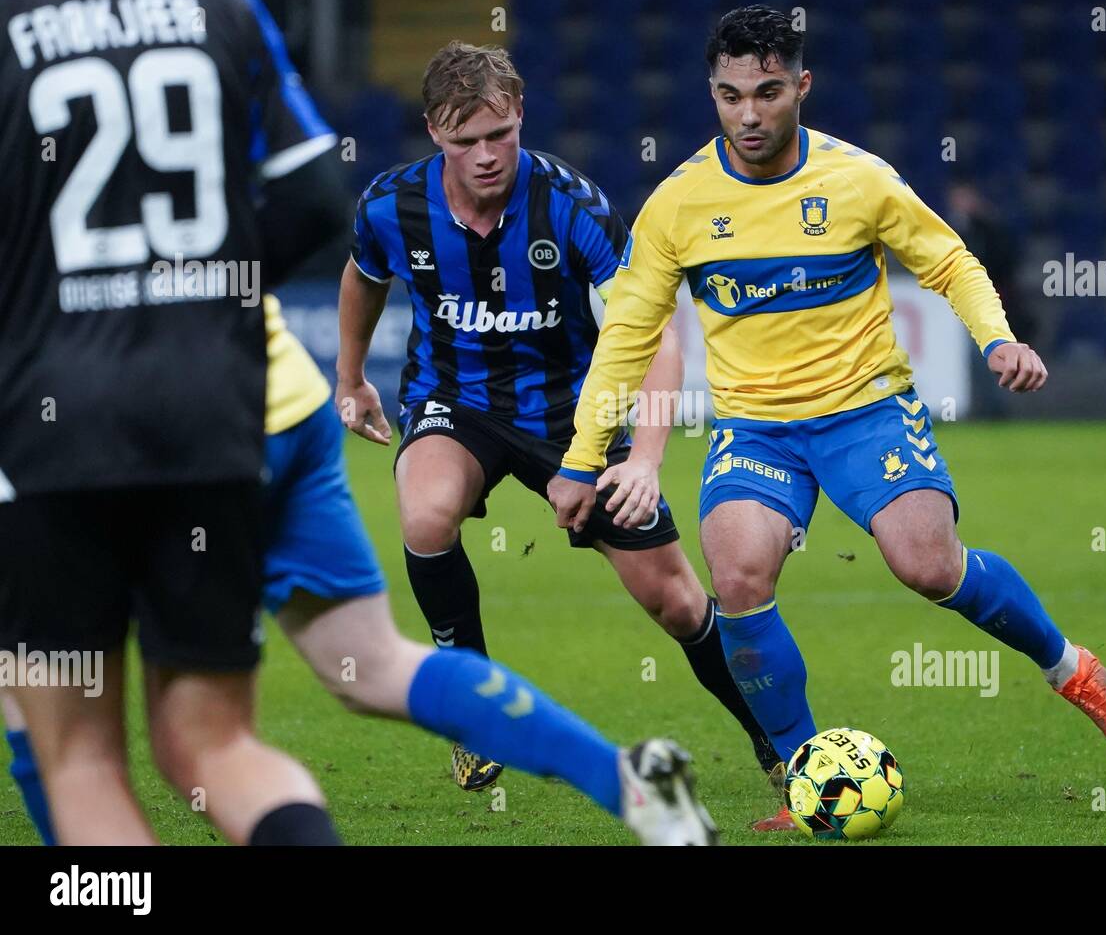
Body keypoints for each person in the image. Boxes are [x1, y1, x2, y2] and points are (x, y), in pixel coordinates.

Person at [548, 5, 1106, 832]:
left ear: (802, 85)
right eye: (729, 96)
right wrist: (584, 459)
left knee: (928, 567)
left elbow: (948, 261)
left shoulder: (859, 179)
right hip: (756, 428)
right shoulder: (677, 205)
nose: (749, 115)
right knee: (737, 575)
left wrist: (997, 338)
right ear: (712, 94)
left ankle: (1072, 668)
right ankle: (806, 780)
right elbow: (625, 339)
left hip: (866, 410)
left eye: (767, 92)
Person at [1, 293, 719, 846]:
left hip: (115, 434)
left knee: (96, 746)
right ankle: (623, 779)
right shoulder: (234, 93)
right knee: (369, 664)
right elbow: (309, 209)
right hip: (278, 401)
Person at [335, 41, 782, 801]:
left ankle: (777, 743)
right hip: (456, 400)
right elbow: (364, 276)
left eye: (500, 135)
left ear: (520, 116)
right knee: (426, 514)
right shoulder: (391, 205)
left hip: (577, 414)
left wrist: (641, 458)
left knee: (674, 601)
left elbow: (656, 333)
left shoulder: (572, 206)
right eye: (464, 141)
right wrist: (350, 381)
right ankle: (472, 712)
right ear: (433, 133)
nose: (485, 155)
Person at [0, 0, 346, 844]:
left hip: (53, 425)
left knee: (80, 764)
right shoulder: (222, 4)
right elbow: (314, 203)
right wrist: (199, 298)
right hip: (212, 416)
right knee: (219, 748)